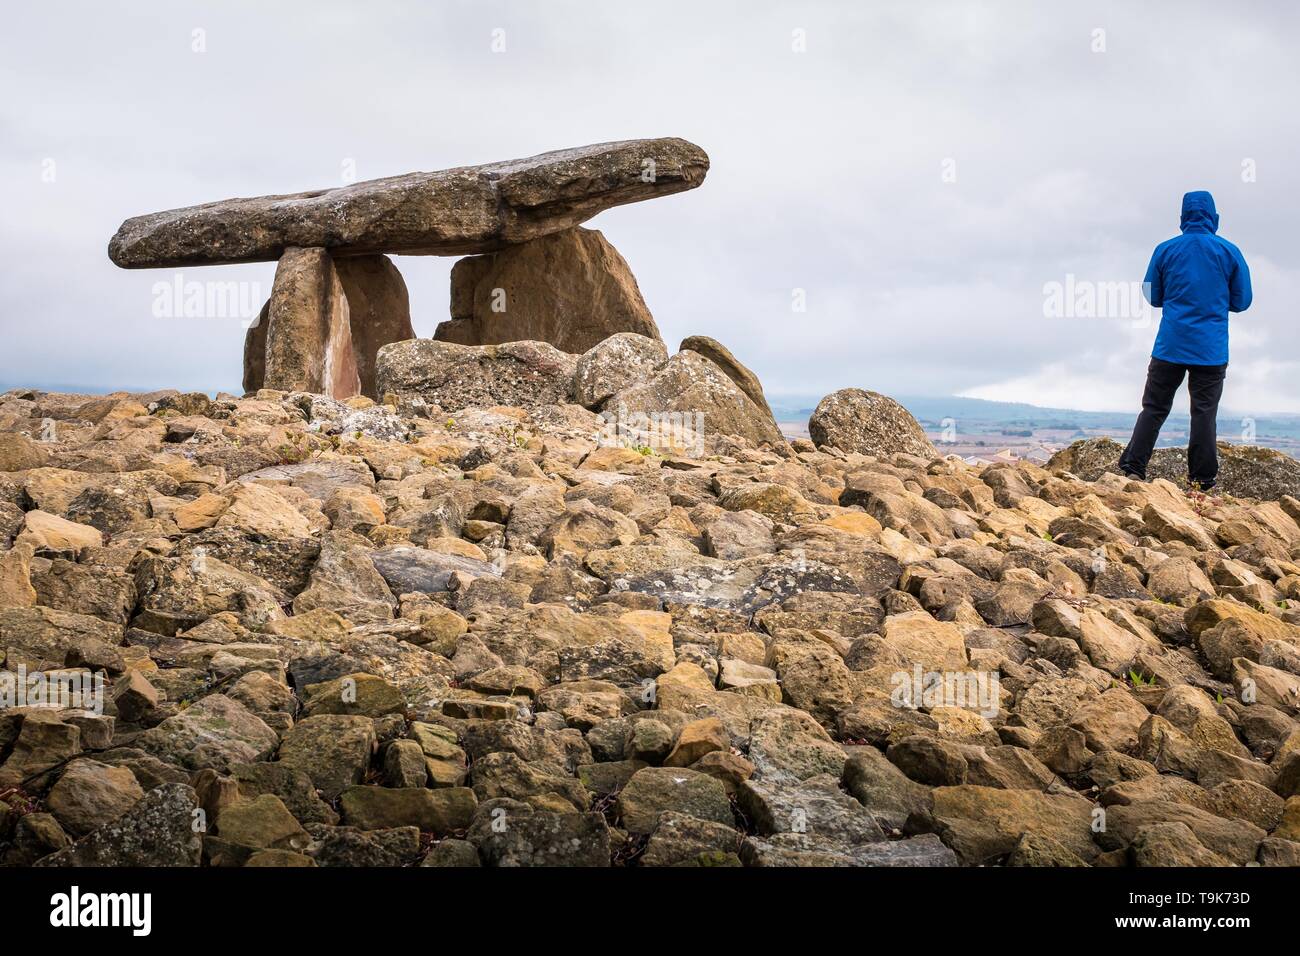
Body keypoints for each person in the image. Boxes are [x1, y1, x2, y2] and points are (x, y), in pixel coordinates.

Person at [1118, 190, 1252, 490]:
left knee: (1154, 407)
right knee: (1204, 414)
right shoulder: (1229, 252)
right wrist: (1214, 302)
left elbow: (1152, 296)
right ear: (1214, 217)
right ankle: (1202, 480)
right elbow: (1243, 301)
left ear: (1182, 218)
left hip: (1170, 345)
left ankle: (1134, 468)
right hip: (1210, 350)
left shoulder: (1165, 250)